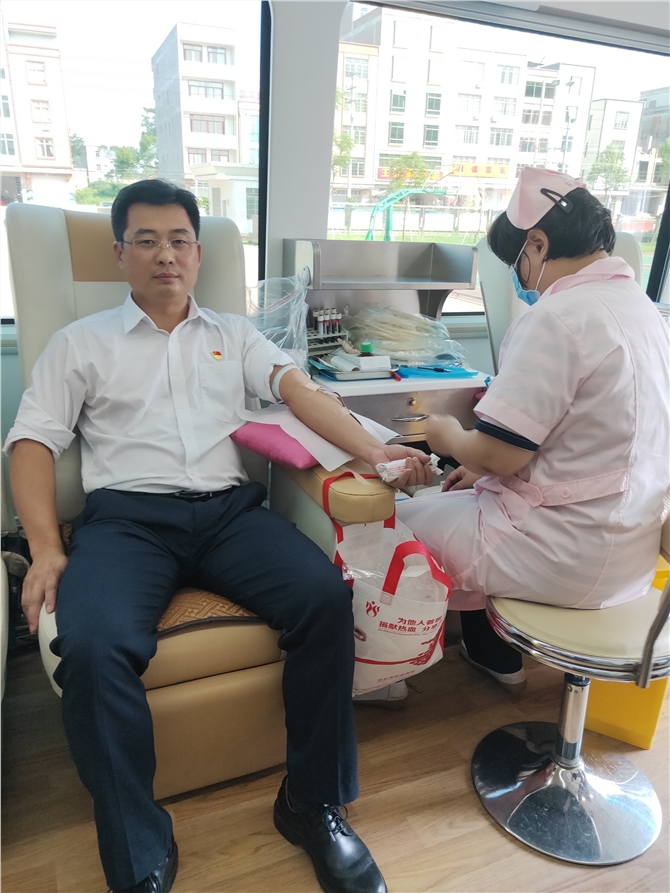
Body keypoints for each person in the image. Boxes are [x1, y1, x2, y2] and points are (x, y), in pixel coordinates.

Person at [5, 179, 434, 893]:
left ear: (198, 253)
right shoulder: (80, 343)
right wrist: (47, 548)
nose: (164, 255)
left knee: (324, 599)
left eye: (179, 240)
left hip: (230, 515)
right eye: (146, 240)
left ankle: (313, 803)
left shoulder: (234, 335)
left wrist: (372, 449)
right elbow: (31, 443)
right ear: (120, 254)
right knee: (91, 643)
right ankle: (137, 845)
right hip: (126, 523)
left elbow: (300, 392)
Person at [397, 168, 670, 692]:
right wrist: (483, 475)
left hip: (560, 551)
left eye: (517, 261)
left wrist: (444, 434)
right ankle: (493, 655)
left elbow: (499, 456)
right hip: (627, 549)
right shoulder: (644, 311)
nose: (520, 277)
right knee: (464, 498)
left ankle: (386, 679)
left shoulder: (559, 316)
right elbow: (586, 444)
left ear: (539, 244)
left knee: (387, 526)